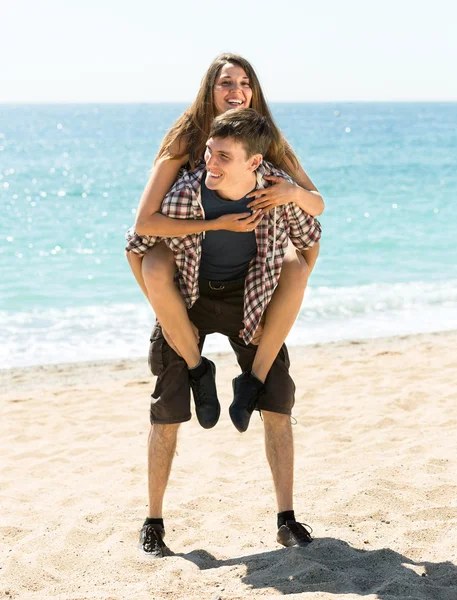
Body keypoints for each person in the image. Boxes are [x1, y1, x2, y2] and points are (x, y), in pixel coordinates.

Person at [132, 108, 321, 557]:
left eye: (223, 157)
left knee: (278, 403)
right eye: (209, 154)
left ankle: (286, 519)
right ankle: (153, 521)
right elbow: (136, 243)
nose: (211, 164)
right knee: (167, 410)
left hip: (250, 300)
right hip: (190, 298)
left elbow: (312, 232)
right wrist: (161, 307)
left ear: (254, 163)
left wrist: (294, 281)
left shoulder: (273, 192)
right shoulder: (185, 194)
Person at [125, 53, 324, 412]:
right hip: (186, 248)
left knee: (296, 267)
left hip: (249, 261)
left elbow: (317, 203)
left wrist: (291, 192)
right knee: (153, 266)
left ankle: (254, 379)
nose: (237, 90)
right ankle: (198, 369)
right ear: (209, 91)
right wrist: (215, 224)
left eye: (245, 83)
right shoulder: (186, 140)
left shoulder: (267, 140)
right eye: (227, 83)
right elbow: (144, 223)